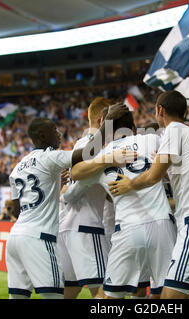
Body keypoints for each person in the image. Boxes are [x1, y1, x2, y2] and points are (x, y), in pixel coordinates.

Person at [108, 90, 189, 299]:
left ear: (160, 110)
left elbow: (152, 176)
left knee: (168, 298)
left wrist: (129, 185)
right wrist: (172, 169)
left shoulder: (174, 131)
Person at [5, 104, 128, 299]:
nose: (59, 133)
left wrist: (51, 186)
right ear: (43, 137)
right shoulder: (49, 157)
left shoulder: (18, 167)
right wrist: (109, 122)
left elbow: (15, 204)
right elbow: (85, 154)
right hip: (40, 237)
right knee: (55, 295)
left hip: (14, 237)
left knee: (18, 296)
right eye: (54, 130)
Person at [69, 111, 176, 299]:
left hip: (127, 228)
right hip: (161, 225)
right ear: (133, 128)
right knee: (165, 294)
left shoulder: (102, 156)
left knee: (110, 295)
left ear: (107, 130)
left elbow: (75, 172)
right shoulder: (150, 139)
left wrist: (106, 159)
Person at [56, 97, 112, 299]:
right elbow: (74, 190)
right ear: (101, 121)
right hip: (87, 227)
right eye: (112, 121)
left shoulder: (78, 146)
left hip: (66, 227)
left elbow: (68, 193)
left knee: (69, 291)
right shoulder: (99, 148)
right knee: (105, 292)